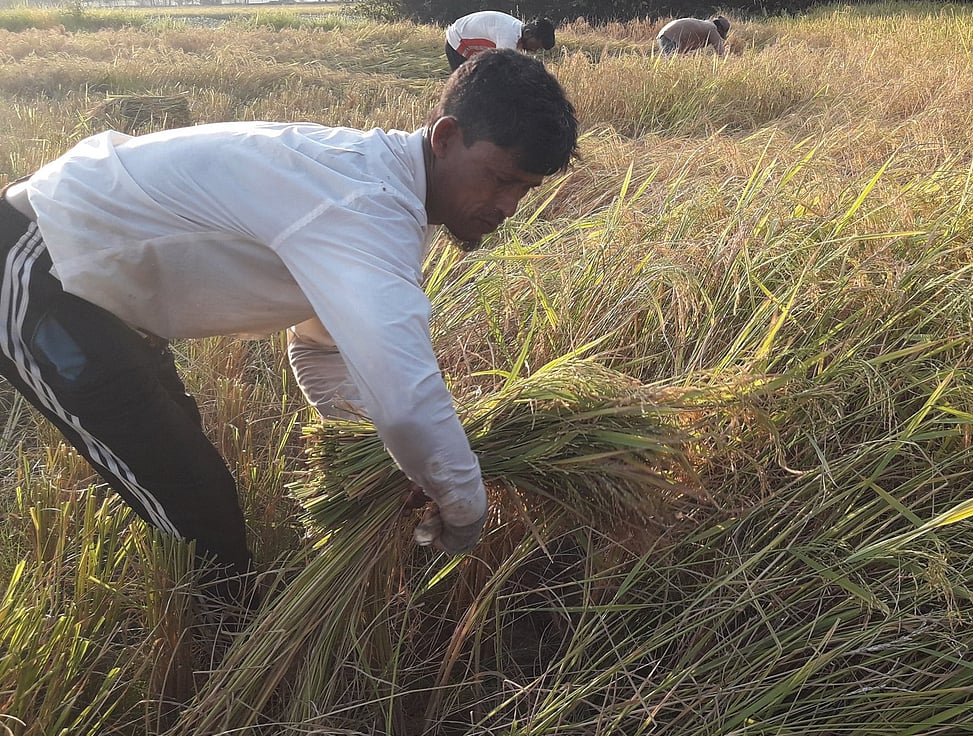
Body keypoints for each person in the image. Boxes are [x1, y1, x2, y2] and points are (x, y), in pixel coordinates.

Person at [0, 49, 579, 605]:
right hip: (38, 265)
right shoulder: (363, 207)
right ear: (446, 137)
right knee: (189, 497)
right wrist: (465, 507)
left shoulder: (382, 191)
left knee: (185, 469)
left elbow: (320, 349)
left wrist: (374, 454)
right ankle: (223, 667)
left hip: (95, 288)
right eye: (498, 178)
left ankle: (227, 620)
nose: (507, 205)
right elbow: (406, 402)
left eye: (524, 189)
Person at [445, 11, 556, 71]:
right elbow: (502, 71)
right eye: (537, 45)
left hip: (471, 48)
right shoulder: (508, 38)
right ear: (528, 33)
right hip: (457, 41)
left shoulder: (517, 33)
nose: (535, 50)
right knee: (464, 90)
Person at [655, 15, 731, 56]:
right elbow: (721, 52)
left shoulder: (706, 25)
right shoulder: (712, 28)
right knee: (670, 65)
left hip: (665, 34)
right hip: (670, 37)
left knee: (670, 62)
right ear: (720, 28)